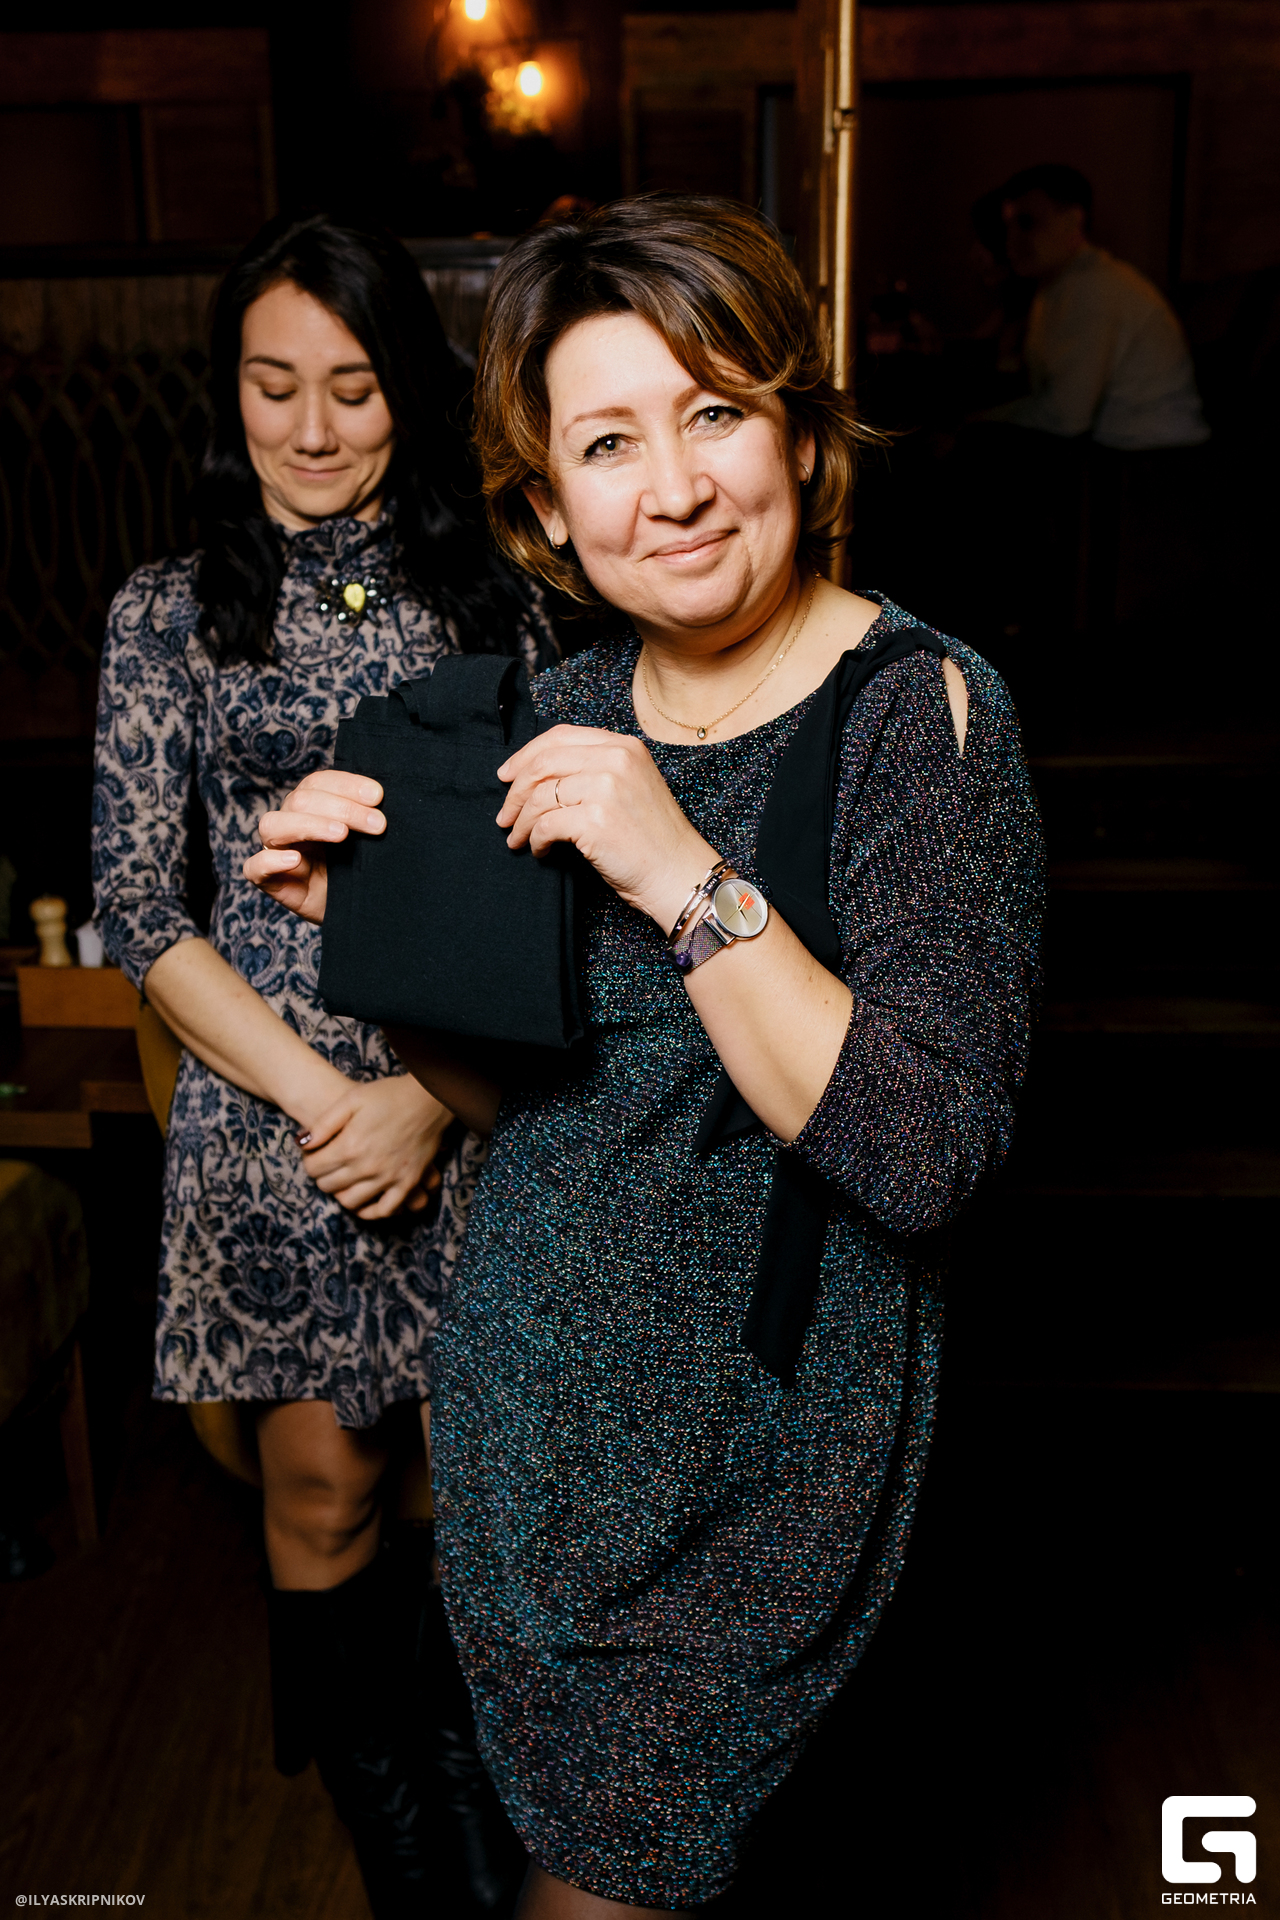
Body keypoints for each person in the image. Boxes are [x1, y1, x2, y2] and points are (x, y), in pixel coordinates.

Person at [245, 195, 1045, 1917]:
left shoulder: (920, 711)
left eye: (714, 415)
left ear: (800, 435)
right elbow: (519, 1102)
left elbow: (925, 1157)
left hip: (750, 1469)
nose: (671, 488)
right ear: (547, 503)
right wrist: (368, 934)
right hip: (528, 1439)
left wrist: (683, 872)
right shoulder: (565, 712)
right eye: (607, 443)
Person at [91, 209, 546, 1918]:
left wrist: (428, 1098)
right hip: (269, 1100)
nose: (309, 426)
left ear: (406, 389)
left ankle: (494, 1823)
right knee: (324, 1488)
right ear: (228, 390)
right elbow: (141, 907)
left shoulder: (491, 594)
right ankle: (406, 1855)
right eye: (271, 384)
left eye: (351, 387)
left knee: (484, 1482)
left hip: (476, 1094)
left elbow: (557, 887)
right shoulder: (167, 610)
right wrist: (327, 1101)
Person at [985, 161, 1209, 450]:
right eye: (1008, 226)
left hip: (1150, 455)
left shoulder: (1091, 287)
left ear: (1073, 222)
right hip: (1129, 447)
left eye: (1027, 223)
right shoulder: (1057, 288)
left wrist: (978, 423)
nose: (1012, 240)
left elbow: (1065, 418)